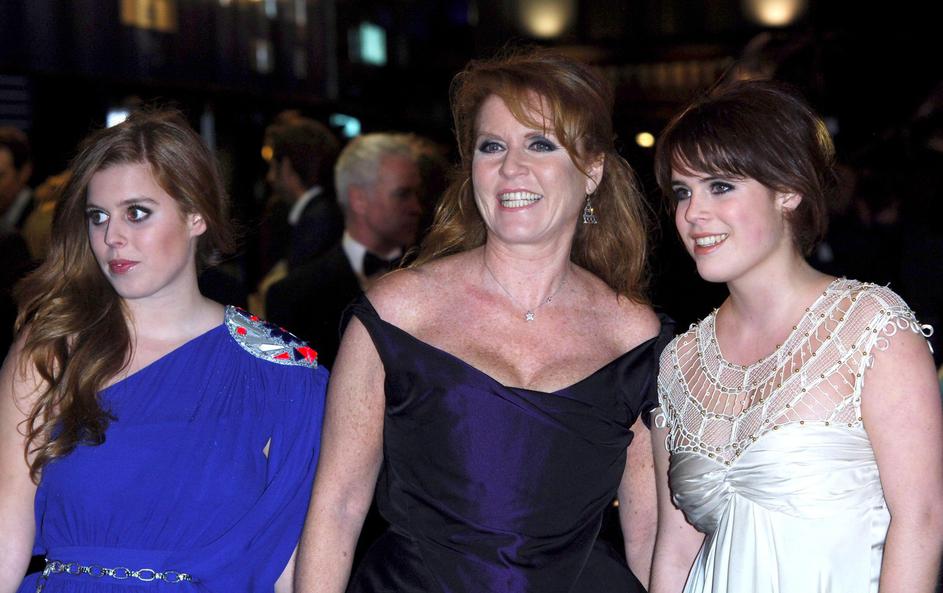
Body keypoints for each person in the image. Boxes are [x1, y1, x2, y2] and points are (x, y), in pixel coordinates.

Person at [294, 48, 673, 593]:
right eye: (491, 146)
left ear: (592, 171)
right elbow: (336, 508)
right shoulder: (399, 312)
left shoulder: (635, 337)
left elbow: (650, 533)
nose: (510, 168)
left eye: (539, 144)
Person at [0, 110, 328, 592]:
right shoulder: (50, 350)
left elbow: (290, 564)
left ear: (196, 215)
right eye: (98, 217)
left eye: (137, 212)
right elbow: (8, 519)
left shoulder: (280, 370)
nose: (112, 237)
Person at [649, 80, 943, 593]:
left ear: (788, 189)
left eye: (720, 185)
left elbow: (920, 520)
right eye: (682, 191)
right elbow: (674, 552)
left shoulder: (870, 326)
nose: (692, 213)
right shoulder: (679, 362)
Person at [267, 132, 423, 369]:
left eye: (416, 194)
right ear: (358, 199)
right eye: (402, 194)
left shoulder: (434, 283)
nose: (416, 207)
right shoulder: (293, 297)